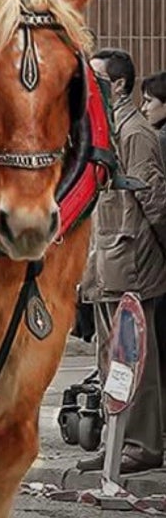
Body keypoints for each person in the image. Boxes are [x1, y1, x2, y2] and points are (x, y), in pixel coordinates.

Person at [79, 48, 166, 474]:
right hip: (106, 260)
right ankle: (117, 442)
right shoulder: (105, 128)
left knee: (138, 359)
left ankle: (142, 444)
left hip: (131, 260)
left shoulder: (134, 134)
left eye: (95, 78)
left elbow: (156, 200)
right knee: (110, 360)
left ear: (117, 85)